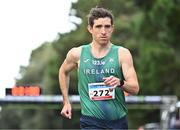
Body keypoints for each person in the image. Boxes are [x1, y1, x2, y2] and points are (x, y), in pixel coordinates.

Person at [59, 7, 139, 129]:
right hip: (91, 121)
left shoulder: (122, 53)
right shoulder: (77, 54)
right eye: (98, 26)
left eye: (107, 26)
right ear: (90, 29)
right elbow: (63, 72)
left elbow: (135, 88)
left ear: (112, 28)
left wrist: (120, 82)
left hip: (118, 121)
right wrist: (66, 102)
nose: (103, 31)